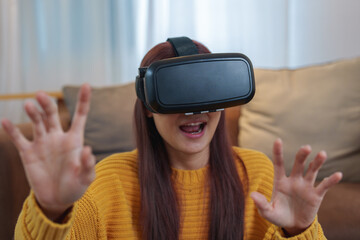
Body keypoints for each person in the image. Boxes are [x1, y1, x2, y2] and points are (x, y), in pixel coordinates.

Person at [1, 39, 342, 240]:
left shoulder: (258, 174)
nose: (194, 111)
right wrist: (50, 209)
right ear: (148, 106)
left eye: (205, 93)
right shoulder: (107, 184)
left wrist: (300, 230)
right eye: (177, 94)